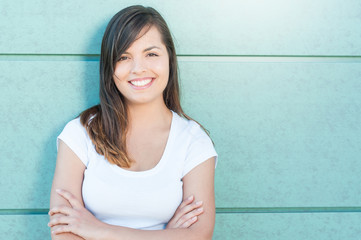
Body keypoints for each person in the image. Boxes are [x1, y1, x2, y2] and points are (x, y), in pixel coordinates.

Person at [48, 5, 217, 240]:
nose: (138, 68)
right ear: (110, 67)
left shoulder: (194, 142)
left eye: (151, 54)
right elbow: (63, 231)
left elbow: (199, 235)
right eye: (123, 57)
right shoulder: (79, 133)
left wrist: (97, 230)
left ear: (170, 59)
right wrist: (168, 236)